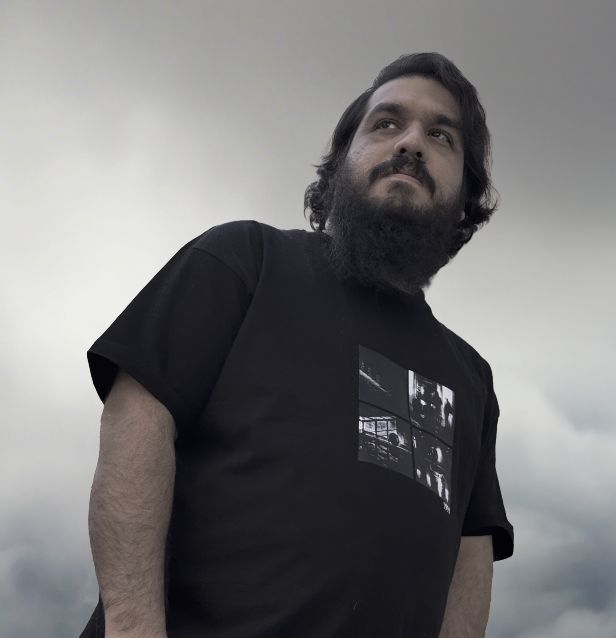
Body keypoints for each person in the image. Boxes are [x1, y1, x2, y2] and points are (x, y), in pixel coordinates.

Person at [80, 52, 514, 638]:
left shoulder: (470, 378)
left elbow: (471, 550)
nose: (411, 143)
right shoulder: (244, 262)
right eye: (387, 123)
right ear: (340, 165)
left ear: (465, 195)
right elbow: (137, 418)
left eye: (441, 136)